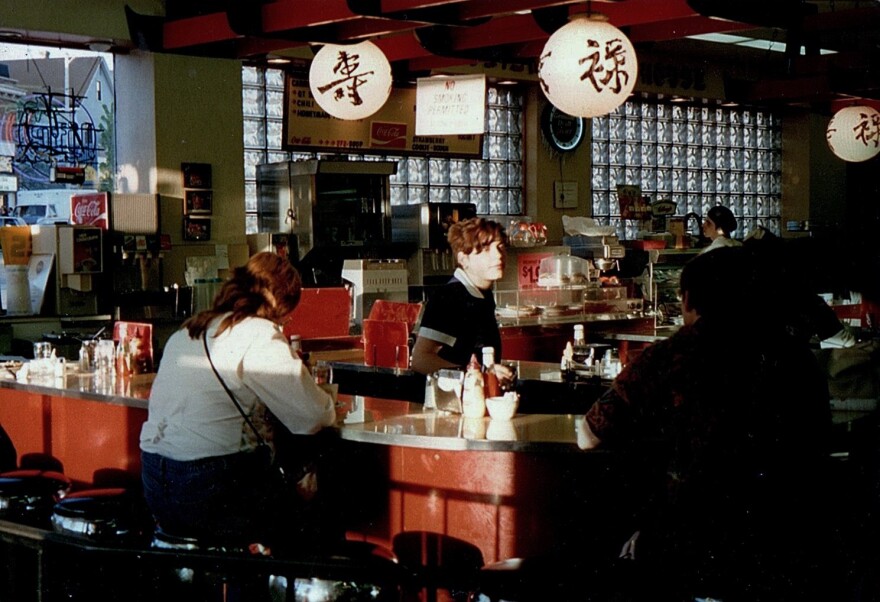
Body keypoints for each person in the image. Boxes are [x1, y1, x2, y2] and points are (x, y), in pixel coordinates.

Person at [576, 247, 843, 601]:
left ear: (688, 300)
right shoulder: (796, 356)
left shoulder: (673, 354)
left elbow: (590, 435)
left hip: (695, 542)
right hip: (794, 541)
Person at [140, 252, 336, 554]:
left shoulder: (189, 329)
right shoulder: (259, 334)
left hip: (156, 482)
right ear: (279, 304)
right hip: (208, 488)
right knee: (312, 514)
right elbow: (312, 417)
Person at [411, 217, 512, 384]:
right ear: (463, 259)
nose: (498, 256)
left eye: (500, 247)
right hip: (448, 399)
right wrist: (472, 375)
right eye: (486, 249)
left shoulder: (483, 293)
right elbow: (421, 359)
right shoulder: (449, 297)